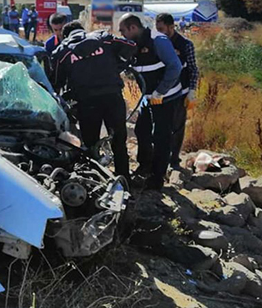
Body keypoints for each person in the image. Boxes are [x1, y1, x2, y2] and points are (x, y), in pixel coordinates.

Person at [51, 21, 137, 181]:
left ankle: (96, 181)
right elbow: (130, 45)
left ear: (65, 35)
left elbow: (55, 83)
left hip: (86, 102)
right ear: (83, 31)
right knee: (119, 141)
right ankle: (124, 180)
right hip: (113, 97)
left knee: (90, 144)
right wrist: (118, 64)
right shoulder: (104, 38)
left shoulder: (62, 52)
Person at [118, 13, 182, 190]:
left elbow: (175, 67)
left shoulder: (158, 40)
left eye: (124, 31)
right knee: (142, 130)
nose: (122, 35)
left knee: (161, 135)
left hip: (165, 96)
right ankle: (144, 166)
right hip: (148, 97)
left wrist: (160, 92)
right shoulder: (135, 44)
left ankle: (157, 177)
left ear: (133, 28)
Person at [155, 13, 199, 168]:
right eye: (157, 29)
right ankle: (161, 158)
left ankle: (174, 159)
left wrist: (192, 90)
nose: (159, 32)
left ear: (171, 27)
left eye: (162, 29)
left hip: (181, 92)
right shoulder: (157, 43)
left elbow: (193, 69)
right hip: (161, 92)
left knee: (177, 127)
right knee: (161, 127)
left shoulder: (185, 44)